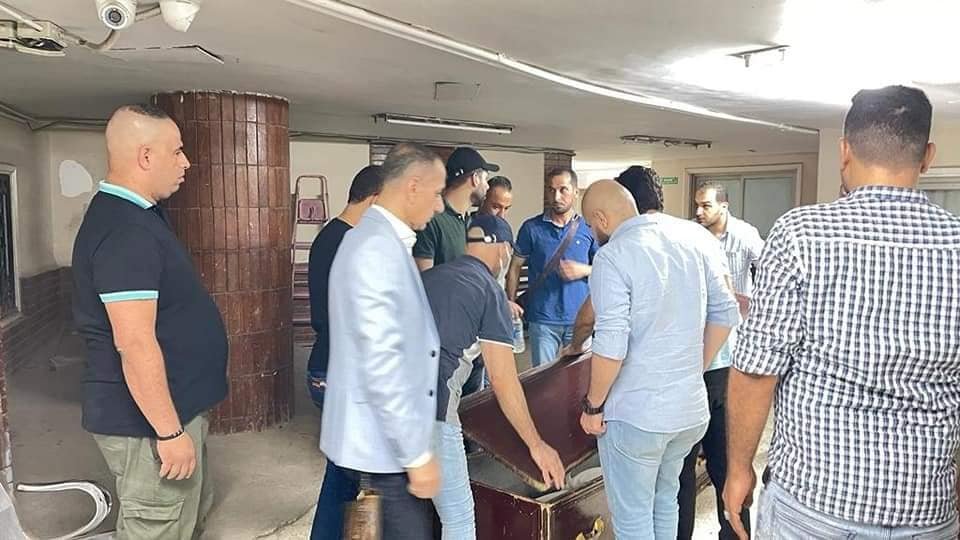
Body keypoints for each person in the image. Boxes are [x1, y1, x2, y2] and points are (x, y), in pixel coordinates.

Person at [724, 86, 960, 539]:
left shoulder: (801, 235)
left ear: (844, 151)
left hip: (814, 505)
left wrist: (739, 469)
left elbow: (756, 371)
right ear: (927, 156)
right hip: (925, 509)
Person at [72, 104, 227, 539]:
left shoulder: (139, 215)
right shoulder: (126, 231)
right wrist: (170, 432)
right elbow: (135, 342)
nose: (186, 162)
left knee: (183, 519)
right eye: (176, 151)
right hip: (148, 425)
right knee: (157, 524)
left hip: (171, 410)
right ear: (145, 156)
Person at [578, 179, 739, 539]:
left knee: (633, 518)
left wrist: (593, 406)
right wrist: (693, 368)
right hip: (689, 412)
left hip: (637, 416)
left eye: (590, 224)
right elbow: (727, 312)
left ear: (601, 219)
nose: (592, 232)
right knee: (666, 500)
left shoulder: (612, 256)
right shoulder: (694, 237)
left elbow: (611, 343)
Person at [320, 143, 446, 539]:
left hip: (385, 445)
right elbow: (382, 362)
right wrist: (416, 455)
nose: (440, 205)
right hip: (383, 451)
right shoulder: (375, 249)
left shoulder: (383, 241)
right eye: (436, 192)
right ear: (413, 186)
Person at [424, 214, 565, 539]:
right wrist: (537, 445)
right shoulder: (491, 293)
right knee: (459, 519)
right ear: (503, 249)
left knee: (403, 508)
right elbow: (503, 381)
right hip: (431, 409)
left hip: (384, 402)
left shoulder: (431, 276)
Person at [676, 182, 765, 540]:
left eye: (706, 206)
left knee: (726, 463)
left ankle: (734, 533)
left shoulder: (744, 236)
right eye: (697, 205)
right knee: (682, 468)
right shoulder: (688, 236)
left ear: (724, 206)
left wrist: (753, 304)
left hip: (729, 362)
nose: (699, 212)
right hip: (693, 361)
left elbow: (772, 275)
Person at [305, 165, 384, 539]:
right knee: (350, 475)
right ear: (374, 200)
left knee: (345, 472)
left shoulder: (333, 237)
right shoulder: (347, 242)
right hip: (339, 371)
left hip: (333, 366)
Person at [507, 168, 597, 368]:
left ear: (575, 192)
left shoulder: (588, 228)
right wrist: (510, 302)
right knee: (543, 376)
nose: (556, 197)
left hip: (580, 319)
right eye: (551, 190)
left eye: (563, 190)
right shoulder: (531, 228)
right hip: (543, 319)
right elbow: (514, 268)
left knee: (580, 376)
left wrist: (584, 270)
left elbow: (604, 268)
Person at [413, 146, 499, 272]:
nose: (487, 186)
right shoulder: (431, 220)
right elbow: (424, 278)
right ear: (475, 178)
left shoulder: (469, 222)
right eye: (485, 179)